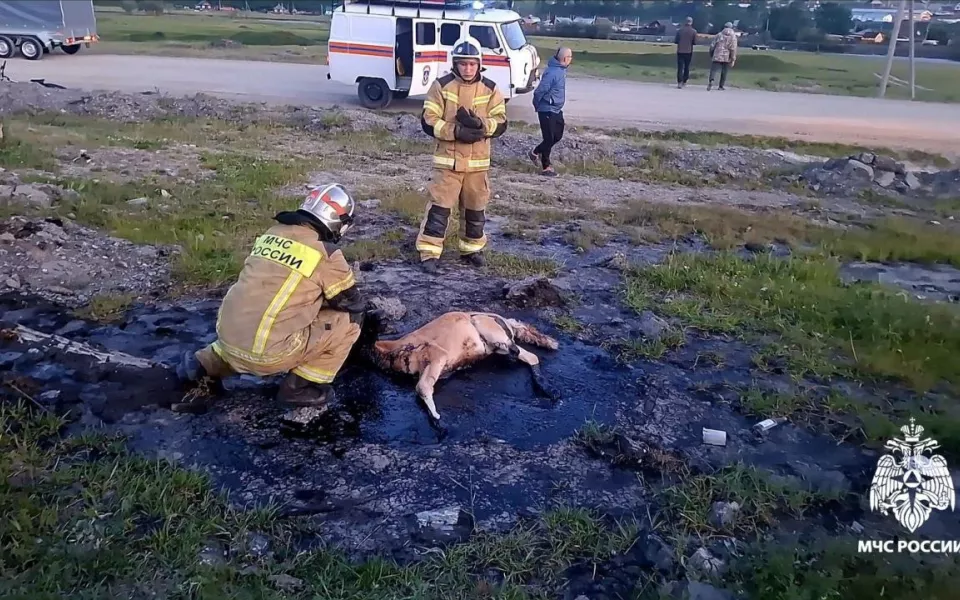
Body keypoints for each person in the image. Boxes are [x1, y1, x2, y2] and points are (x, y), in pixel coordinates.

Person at [175, 183, 376, 411]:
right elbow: (351, 302)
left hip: (226, 339)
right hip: (268, 355)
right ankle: (302, 387)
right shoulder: (325, 253)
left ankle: (204, 363)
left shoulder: (271, 234)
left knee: (260, 310)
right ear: (338, 220)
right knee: (348, 322)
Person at [416, 36, 508, 274]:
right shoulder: (441, 86)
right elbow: (428, 122)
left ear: (479, 64)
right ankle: (429, 253)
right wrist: (455, 131)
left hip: (478, 166)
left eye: (472, 64)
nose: (467, 68)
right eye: (463, 63)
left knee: (475, 210)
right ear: (455, 63)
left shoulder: (490, 88)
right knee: (439, 210)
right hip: (448, 164)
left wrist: (481, 125)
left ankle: (471, 250)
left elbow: (501, 122)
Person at [529, 46, 572, 177]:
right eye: (570, 57)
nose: (571, 60)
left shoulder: (560, 70)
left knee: (557, 136)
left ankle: (535, 152)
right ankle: (546, 167)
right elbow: (539, 91)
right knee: (549, 138)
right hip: (547, 109)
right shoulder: (553, 72)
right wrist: (538, 106)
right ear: (565, 58)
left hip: (556, 109)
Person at [708, 22, 738, 91]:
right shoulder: (733, 37)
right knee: (724, 71)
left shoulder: (719, 35)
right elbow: (733, 48)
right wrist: (733, 59)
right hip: (726, 56)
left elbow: (712, 45)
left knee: (713, 70)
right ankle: (721, 86)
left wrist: (711, 53)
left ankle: (711, 80)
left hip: (717, 54)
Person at [674, 17, 697, 89]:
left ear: (685, 22)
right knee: (687, 67)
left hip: (680, 50)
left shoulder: (680, 31)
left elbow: (676, 41)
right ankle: (684, 81)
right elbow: (694, 42)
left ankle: (679, 82)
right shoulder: (694, 31)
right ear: (691, 22)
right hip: (688, 51)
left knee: (680, 67)